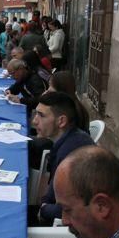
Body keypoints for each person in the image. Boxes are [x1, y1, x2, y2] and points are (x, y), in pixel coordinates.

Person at [33, 92, 95, 224]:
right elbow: (52, 190)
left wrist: (44, 210)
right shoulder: (68, 140)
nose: (34, 121)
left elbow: (77, 210)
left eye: (41, 115)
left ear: (61, 121)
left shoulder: (72, 153)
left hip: (69, 230)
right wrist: (44, 204)